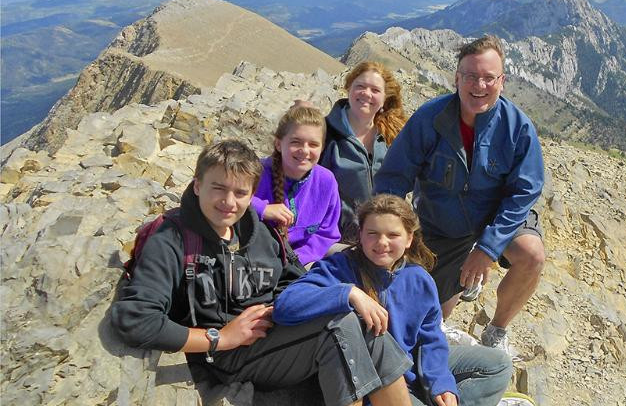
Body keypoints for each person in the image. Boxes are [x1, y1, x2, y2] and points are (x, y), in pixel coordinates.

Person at [111, 139, 413, 406]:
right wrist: (219, 338)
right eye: (218, 188)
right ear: (197, 185)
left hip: (278, 334)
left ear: (252, 194)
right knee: (340, 325)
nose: (229, 202)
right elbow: (136, 320)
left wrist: (341, 294)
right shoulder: (171, 239)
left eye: (240, 192)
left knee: (367, 323)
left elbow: (295, 282)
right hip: (228, 355)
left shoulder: (261, 234)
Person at [374, 35, 546, 355]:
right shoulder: (430, 119)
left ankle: (496, 330)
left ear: (502, 81)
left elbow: (525, 191)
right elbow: (393, 178)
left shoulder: (517, 127)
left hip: (495, 219)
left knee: (531, 254)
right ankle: (456, 290)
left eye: (488, 77)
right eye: (470, 76)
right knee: (433, 315)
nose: (479, 85)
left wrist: (488, 247)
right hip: (441, 224)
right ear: (456, 78)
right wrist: (391, 230)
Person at [273, 194, 512, 406]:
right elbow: (285, 306)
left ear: (409, 239)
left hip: (411, 368)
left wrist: (441, 381)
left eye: (393, 235)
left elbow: (430, 339)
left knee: (498, 364)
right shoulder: (338, 268)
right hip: (371, 384)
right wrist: (347, 294)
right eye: (373, 234)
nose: (382, 243)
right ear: (360, 235)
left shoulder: (418, 279)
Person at [320, 61, 408, 242]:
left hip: (385, 240)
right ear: (349, 88)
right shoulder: (324, 132)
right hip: (338, 239)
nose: (366, 94)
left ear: (385, 99)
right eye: (360, 86)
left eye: (375, 90)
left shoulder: (393, 136)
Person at [251, 105, 341, 267]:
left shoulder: (326, 180)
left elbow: (327, 234)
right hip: (257, 259)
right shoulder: (255, 172)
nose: (305, 151)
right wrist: (261, 209)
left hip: (303, 259)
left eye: (313, 144)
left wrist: (296, 260)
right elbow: (216, 193)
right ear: (278, 144)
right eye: (296, 142)